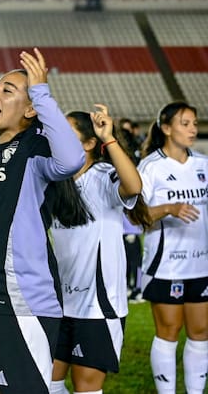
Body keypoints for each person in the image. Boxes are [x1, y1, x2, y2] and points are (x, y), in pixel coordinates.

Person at [0, 49, 89, 394]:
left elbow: (72, 158)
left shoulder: (36, 150)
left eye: (6, 90)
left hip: (24, 302)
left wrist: (42, 92)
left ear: (30, 110)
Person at [50, 105, 150, 394]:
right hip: (59, 302)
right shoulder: (56, 180)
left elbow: (133, 186)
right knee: (47, 383)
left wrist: (109, 137)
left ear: (90, 144)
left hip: (97, 306)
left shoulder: (104, 174)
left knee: (86, 389)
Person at [137, 102, 207, 394]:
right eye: (185, 123)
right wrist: (169, 208)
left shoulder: (203, 164)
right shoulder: (150, 167)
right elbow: (136, 215)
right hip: (166, 266)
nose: (193, 129)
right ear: (166, 128)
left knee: (201, 334)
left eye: (194, 124)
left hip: (201, 265)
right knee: (168, 334)